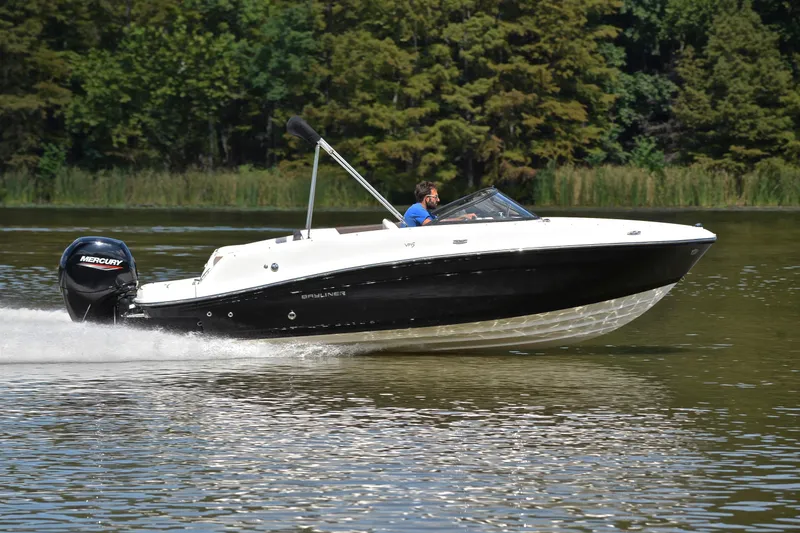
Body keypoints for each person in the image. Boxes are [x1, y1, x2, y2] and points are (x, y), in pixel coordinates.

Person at [403, 181, 478, 227]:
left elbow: (440, 220)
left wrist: (461, 218)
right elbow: (433, 225)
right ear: (427, 198)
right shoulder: (416, 209)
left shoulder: (424, 211)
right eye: (435, 197)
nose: (438, 200)